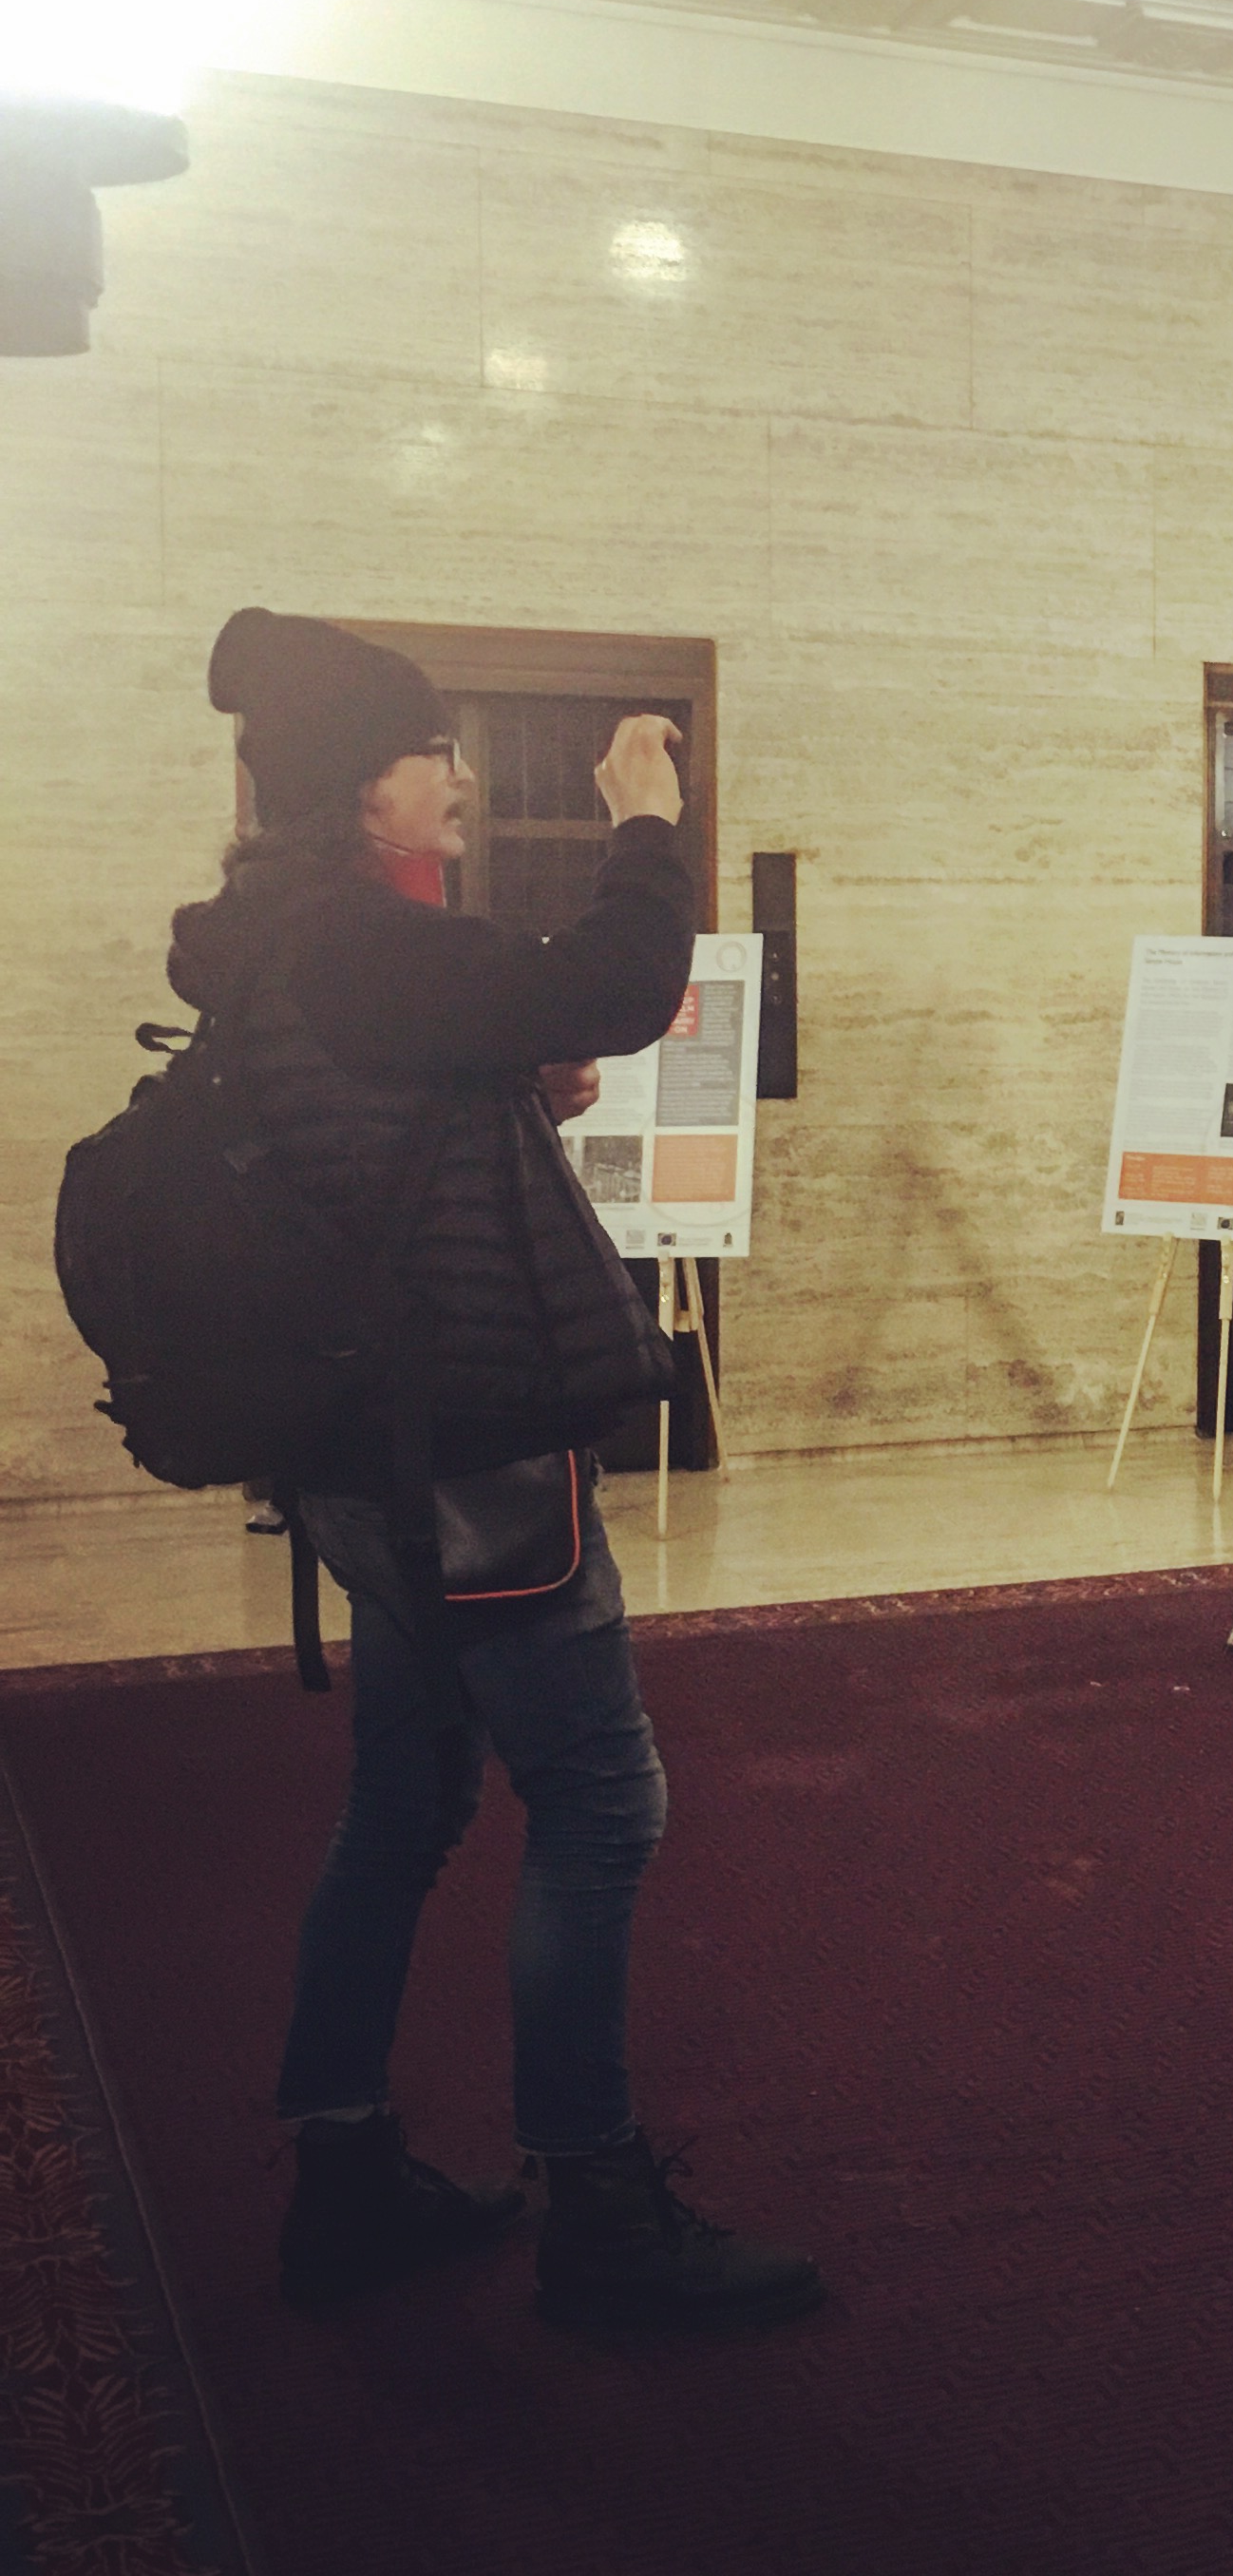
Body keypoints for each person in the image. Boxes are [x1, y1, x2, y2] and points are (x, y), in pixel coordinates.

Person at [166, 608, 821, 2331]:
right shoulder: (358, 944)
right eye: (430, 753)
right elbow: (619, 980)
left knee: (404, 1808)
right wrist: (642, 820)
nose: (455, 781)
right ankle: (598, 2213)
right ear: (359, 787)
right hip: (468, 1461)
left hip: (375, 1458)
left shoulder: (281, 945)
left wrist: (502, 1086)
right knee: (599, 1805)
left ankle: (343, 2177)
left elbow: (383, 1130)